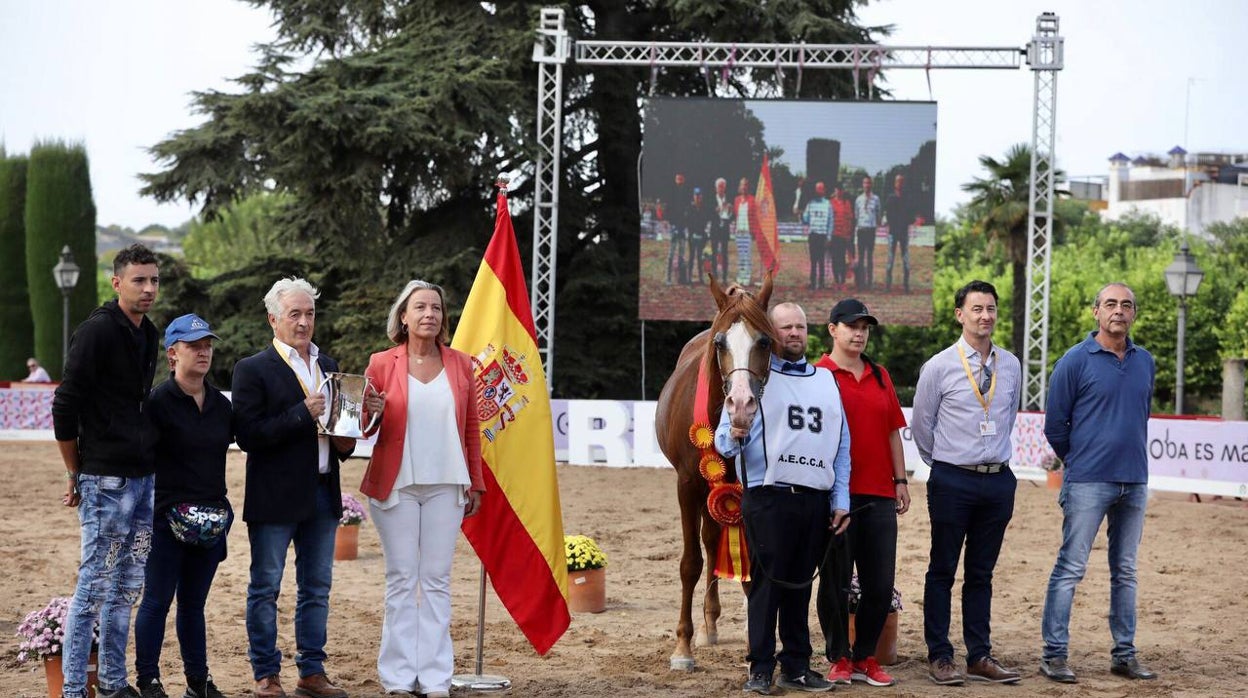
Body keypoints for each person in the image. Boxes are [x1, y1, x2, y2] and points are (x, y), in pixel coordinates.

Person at [714, 302, 850, 695]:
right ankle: (759, 667)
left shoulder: (827, 380)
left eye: (800, 327)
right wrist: (733, 434)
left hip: (814, 498)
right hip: (768, 495)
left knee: (799, 587)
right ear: (771, 334)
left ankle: (797, 665)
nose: (794, 333)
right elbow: (723, 441)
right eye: (785, 327)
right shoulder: (751, 380)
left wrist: (840, 498)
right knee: (766, 587)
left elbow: (842, 445)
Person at [358, 280, 485, 698]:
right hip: (396, 487)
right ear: (404, 317)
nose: (429, 314)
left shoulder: (462, 364)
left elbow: (471, 427)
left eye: (436, 307)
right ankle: (396, 679)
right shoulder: (380, 363)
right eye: (420, 308)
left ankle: (434, 679)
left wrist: (476, 481)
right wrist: (370, 414)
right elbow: (362, 429)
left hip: (447, 486)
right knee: (400, 580)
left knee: (435, 581)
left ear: (443, 318)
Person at [232, 277, 356, 698]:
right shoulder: (251, 369)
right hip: (275, 495)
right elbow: (248, 435)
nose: (304, 322)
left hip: (323, 489)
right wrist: (301, 413)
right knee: (266, 586)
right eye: (295, 314)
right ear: (273, 319)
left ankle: (312, 672)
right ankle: (267, 675)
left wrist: (355, 425)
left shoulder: (329, 363)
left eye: (310, 314)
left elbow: (341, 439)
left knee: (317, 588)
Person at [51, 243, 161, 698]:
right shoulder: (96, 332)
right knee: (94, 587)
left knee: (128, 586)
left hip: (143, 478)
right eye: (139, 280)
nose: (149, 288)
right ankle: (75, 689)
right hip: (105, 480)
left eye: (154, 279)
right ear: (117, 283)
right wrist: (76, 472)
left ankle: (115, 683)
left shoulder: (150, 332)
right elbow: (64, 405)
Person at [1039, 283, 1158, 684]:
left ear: (1134, 314)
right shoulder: (1074, 361)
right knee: (1070, 568)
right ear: (1096, 312)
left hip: (1135, 480)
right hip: (1088, 480)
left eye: (1126, 305)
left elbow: (1139, 416)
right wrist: (1081, 460)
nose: (1118, 311)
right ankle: (1054, 655)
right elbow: (1056, 426)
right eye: (1110, 304)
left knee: (1125, 571)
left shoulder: (1146, 362)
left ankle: (1124, 655)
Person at [911, 280, 1023, 686]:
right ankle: (940, 656)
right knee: (942, 570)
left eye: (991, 308)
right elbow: (922, 427)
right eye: (976, 309)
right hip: (952, 480)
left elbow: (1007, 416)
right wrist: (946, 465)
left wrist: (988, 456)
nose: (985, 316)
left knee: (982, 573)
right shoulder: (939, 366)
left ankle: (979, 655)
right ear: (960, 315)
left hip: (997, 482)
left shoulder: (1010, 364)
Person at [133, 314, 233, 698]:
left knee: (193, 605)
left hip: (209, 523)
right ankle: (149, 680)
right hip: (164, 521)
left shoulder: (223, 405)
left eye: (208, 344)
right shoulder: (157, 402)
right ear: (173, 354)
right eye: (194, 346)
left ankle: (198, 681)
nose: (203, 351)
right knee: (156, 601)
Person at [814, 299, 910, 688]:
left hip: (880, 495)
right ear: (833, 329)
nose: (859, 333)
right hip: (835, 496)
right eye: (851, 326)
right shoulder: (817, 375)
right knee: (834, 581)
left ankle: (866, 657)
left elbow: (892, 432)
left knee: (880, 583)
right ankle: (838, 656)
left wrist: (900, 481)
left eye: (865, 327)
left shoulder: (881, 375)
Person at [883, 174, 918, 294]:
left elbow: (911, 216)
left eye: (902, 182)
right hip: (893, 233)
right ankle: (888, 285)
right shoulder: (890, 198)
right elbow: (887, 214)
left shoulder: (908, 198)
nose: (900, 184)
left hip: (903, 233)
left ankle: (906, 286)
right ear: (895, 184)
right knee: (890, 260)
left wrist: (908, 221)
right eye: (898, 181)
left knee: (906, 260)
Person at [801, 182, 832, 290]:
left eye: (821, 189)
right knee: (813, 260)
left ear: (824, 190)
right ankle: (813, 282)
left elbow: (830, 221)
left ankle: (822, 283)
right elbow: (806, 219)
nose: (819, 191)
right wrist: (800, 214)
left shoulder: (828, 204)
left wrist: (829, 237)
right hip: (813, 234)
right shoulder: (810, 204)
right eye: (817, 189)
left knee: (821, 260)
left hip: (822, 235)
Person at [853, 177, 881, 290]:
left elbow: (878, 214)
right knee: (860, 257)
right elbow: (856, 215)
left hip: (871, 230)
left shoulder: (876, 199)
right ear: (862, 185)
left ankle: (869, 282)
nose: (867, 185)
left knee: (869, 257)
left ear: (871, 185)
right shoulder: (858, 199)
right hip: (861, 230)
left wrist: (876, 225)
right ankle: (861, 282)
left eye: (869, 183)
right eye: (865, 183)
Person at [733, 177, 761, 286]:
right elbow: (735, 215)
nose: (743, 187)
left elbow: (755, 216)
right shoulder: (736, 200)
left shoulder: (752, 200)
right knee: (740, 255)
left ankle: (747, 276)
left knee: (747, 255)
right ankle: (740, 275)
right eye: (741, 185)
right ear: (739, 187)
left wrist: (754, 230)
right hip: (739, 231)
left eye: (745, 185)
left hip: (748, 231)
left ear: (748, 187)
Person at [829, 184, 855, 290]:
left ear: (842, 191)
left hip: (844, 236)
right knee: (835, 258)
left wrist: (849, 233)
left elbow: (850, 219)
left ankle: (843, 281)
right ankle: (836, 281)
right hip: (834, 235)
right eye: (837, 190)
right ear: (835, 191)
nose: (839, 192)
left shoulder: (847, 203)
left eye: (840, 190)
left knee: (843, 259)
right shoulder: (831, 203)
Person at [665, 173, 690, 284]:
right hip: (674, 226)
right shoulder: (671, 192)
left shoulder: (686, 194)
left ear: (683, 179)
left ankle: (680, 278)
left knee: (681, 254)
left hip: (683, 227)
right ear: (675, 179)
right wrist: (671, 223)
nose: (679, 180)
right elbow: (668, 208)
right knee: (671, 253)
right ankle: (668, 277)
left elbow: (688, 211)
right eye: (677, 178)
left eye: (681, 178)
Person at [686, 187, 712, 284]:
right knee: (691, 256)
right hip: (692, 235)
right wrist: (691, 234)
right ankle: (689, 277)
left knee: (700, 257)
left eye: (699, 196)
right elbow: (688, 222)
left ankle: (701, 277)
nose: (697, 198)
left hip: (701, 235)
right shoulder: (690, 208)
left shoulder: (704, 209)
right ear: (693, 196)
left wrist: (704, 234)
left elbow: (706, 222)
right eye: (696, 195)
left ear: (701, 197)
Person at [710, 177, 733, 282]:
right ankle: (714, 274)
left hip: (724, 229)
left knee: (724, 253)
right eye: (719, 186)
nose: (721, 188)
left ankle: (724, 276)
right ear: (716, 188)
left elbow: (732, 216)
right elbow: (707, 214)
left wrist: (730, 211)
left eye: (723, 186)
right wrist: (715, 211)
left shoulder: (728, 199)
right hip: (715, 228)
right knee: (714, 252)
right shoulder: (711, 199)